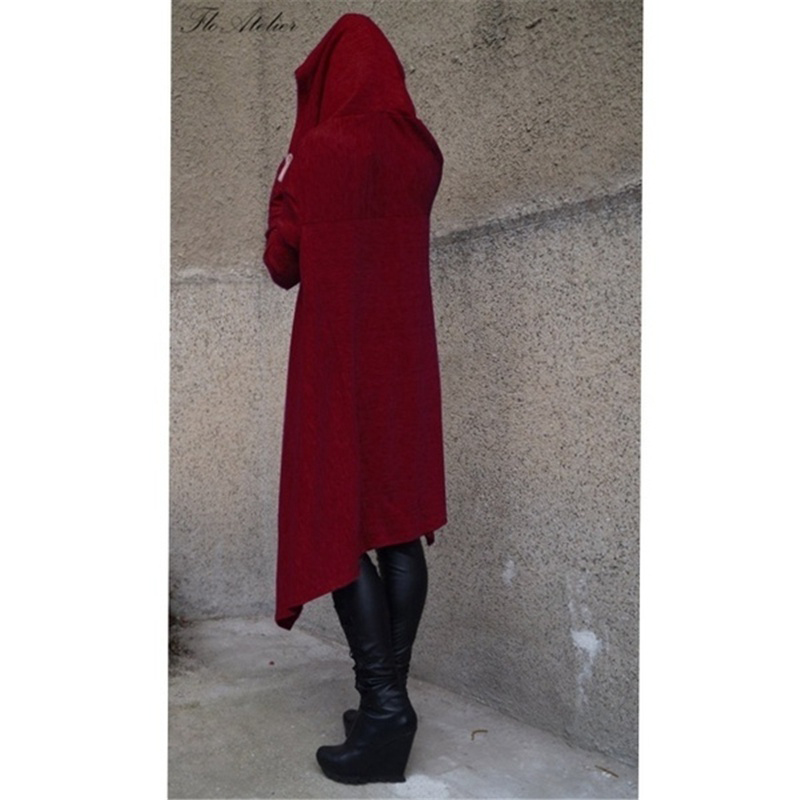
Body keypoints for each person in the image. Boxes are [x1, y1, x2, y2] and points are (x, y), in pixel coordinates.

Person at [263, 13, 446, 785]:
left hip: (336, 359)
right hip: (403, 359)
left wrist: (286, 177)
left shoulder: (317, 152)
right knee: (397, 527)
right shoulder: (422, 151)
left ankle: (384, 709)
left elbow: (282, 265)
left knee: (334, 523)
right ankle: (386, 708)